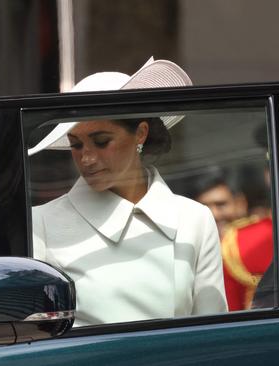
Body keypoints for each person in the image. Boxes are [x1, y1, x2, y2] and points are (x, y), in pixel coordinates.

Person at [29, 58, 227, 326]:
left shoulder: (194, 219)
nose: (86, 158)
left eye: (101, 142)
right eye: (76, 145)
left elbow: (213, 335)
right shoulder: (40, 223)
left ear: (140, 133)